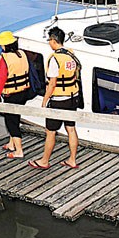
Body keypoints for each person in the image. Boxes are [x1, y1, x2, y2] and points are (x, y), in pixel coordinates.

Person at [29, 27, 80, 170]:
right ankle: (72, 160)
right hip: (73, 96)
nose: (49, 43)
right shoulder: (71, 54)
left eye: (49, 40)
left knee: (50, 131)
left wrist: (45, 100)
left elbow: (52, 83)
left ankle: (44, 161)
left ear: (53, 40)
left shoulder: (55, 59)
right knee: (71, 128)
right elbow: (75, 75)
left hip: (59, 99)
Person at [0, 30, 32, 159]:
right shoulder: (21, 54)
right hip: (24, 92)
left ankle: (19, 151)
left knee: (11, 122)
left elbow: (2, 79)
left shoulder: (4, 59)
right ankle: (11, 144)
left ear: (5, 45)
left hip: (12, 94)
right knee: (15, 117)